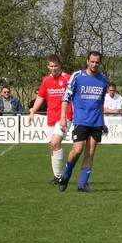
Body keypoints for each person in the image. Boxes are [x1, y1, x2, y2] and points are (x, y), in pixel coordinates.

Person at [58, 50, 111, 193]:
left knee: (90, 152)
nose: (94, 64)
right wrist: (63, 116)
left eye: (97, 62)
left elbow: (101, 102)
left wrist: (103, 122)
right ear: (87, 61)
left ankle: (82, 184)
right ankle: (66, 176)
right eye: (92, 61)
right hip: (81, 119)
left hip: (96, 121)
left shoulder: (104, 79)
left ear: (100, 63)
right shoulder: (77, 76)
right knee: (77, 150)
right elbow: (66, 97)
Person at [28, 54, 72, 184]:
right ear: (48, 66)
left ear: (60, 66)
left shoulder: (67, 78)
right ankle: (57, 176)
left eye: (56, 66)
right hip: (51, 117)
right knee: (52, 147)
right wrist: (33, 112)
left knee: (55, 143)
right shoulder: (46, 80)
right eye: (51, 66)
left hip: (64, 116)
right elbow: (41, 97)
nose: (53, 68)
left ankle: (60, 177)